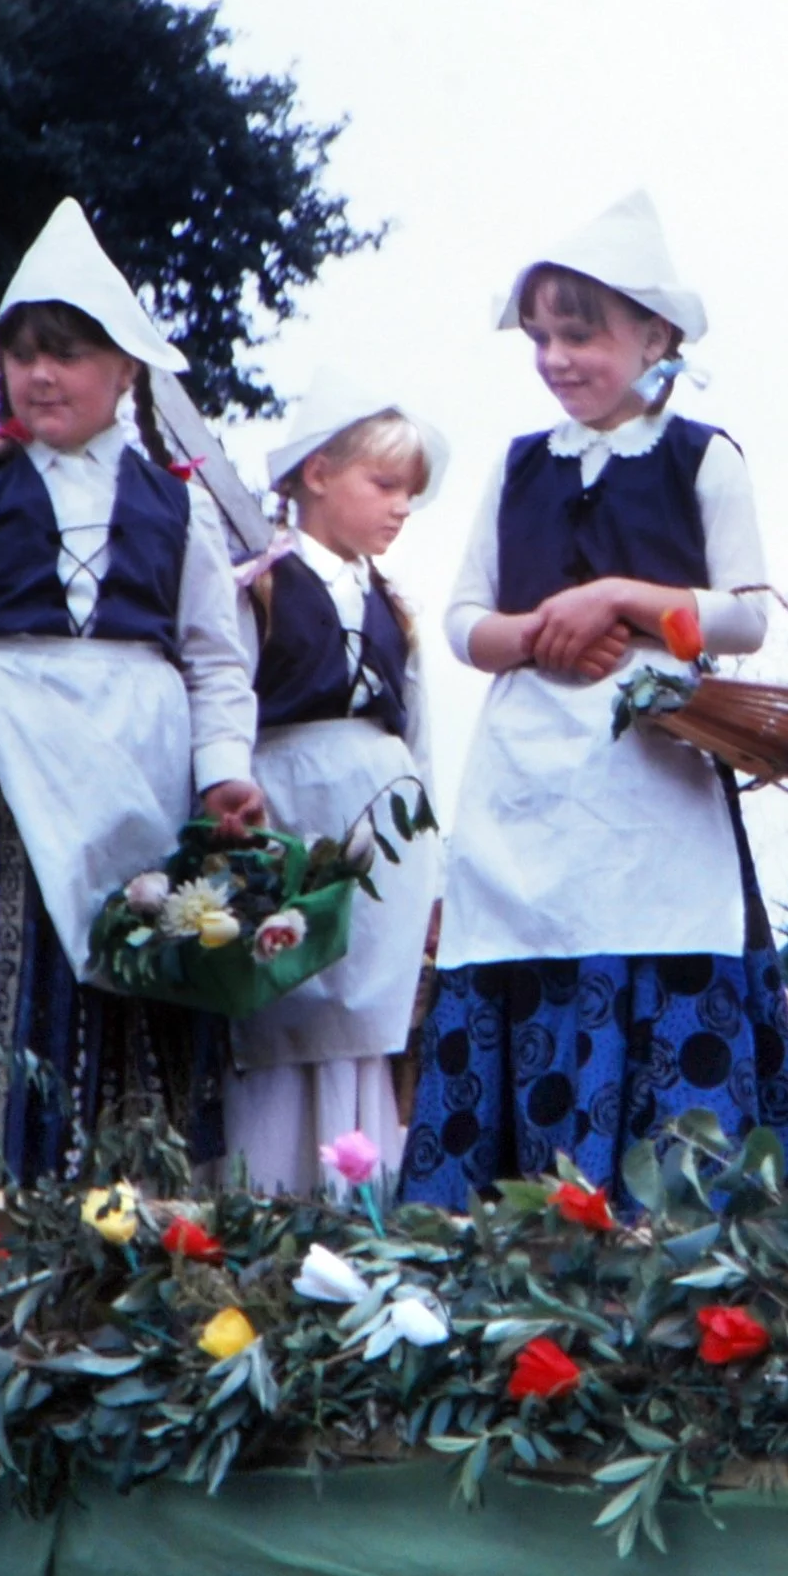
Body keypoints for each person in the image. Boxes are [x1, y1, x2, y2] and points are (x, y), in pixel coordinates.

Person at [397, 192, 788, 1209]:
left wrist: (622, 598)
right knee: (527, 967)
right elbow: (462, 621)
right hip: (528, 783)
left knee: (661, 967)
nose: (555, 358)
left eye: (578, 334)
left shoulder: (701, 457)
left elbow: (747, 615)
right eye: (541, 337)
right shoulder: (518, 467)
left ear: (653, 335)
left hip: (654, 777)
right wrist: (541, 633)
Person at [0, 199, 264, 1179]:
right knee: (13, 963)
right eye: (23, 354)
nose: (40, 375)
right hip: (14, 756)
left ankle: (132, 1193)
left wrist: (223, 771)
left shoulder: (181, 502)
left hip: (145, 764)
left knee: (144, 963)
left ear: (125, 369)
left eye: (69, 353)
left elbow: (214, 652)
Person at [225, 372, 449, 1191]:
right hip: (293, 804)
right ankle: (275, 1187)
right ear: (317, 474)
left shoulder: (398, 602)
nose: (399, 508)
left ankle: (365, 1191)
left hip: (384, 823)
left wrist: (435, 873)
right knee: (293, 998)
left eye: (409, 494)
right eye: (384, 485)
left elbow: (418, 740)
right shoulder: (260, 586)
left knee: (369, 1013)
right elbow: (227, 701)